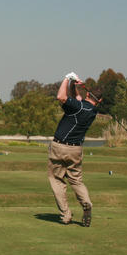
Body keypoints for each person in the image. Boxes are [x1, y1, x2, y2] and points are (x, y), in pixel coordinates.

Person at [47, 72, 101, 227]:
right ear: (100, 100)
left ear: (88, 94)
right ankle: (86, 203)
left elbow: (61, 97)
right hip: (76, 150)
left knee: (56, 180)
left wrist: (66, 77)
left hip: (59, 147)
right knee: (76, 181)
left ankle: (66, 215)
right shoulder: (92, 111)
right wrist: (74, 84)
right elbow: (77, 99)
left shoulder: (77, 107)